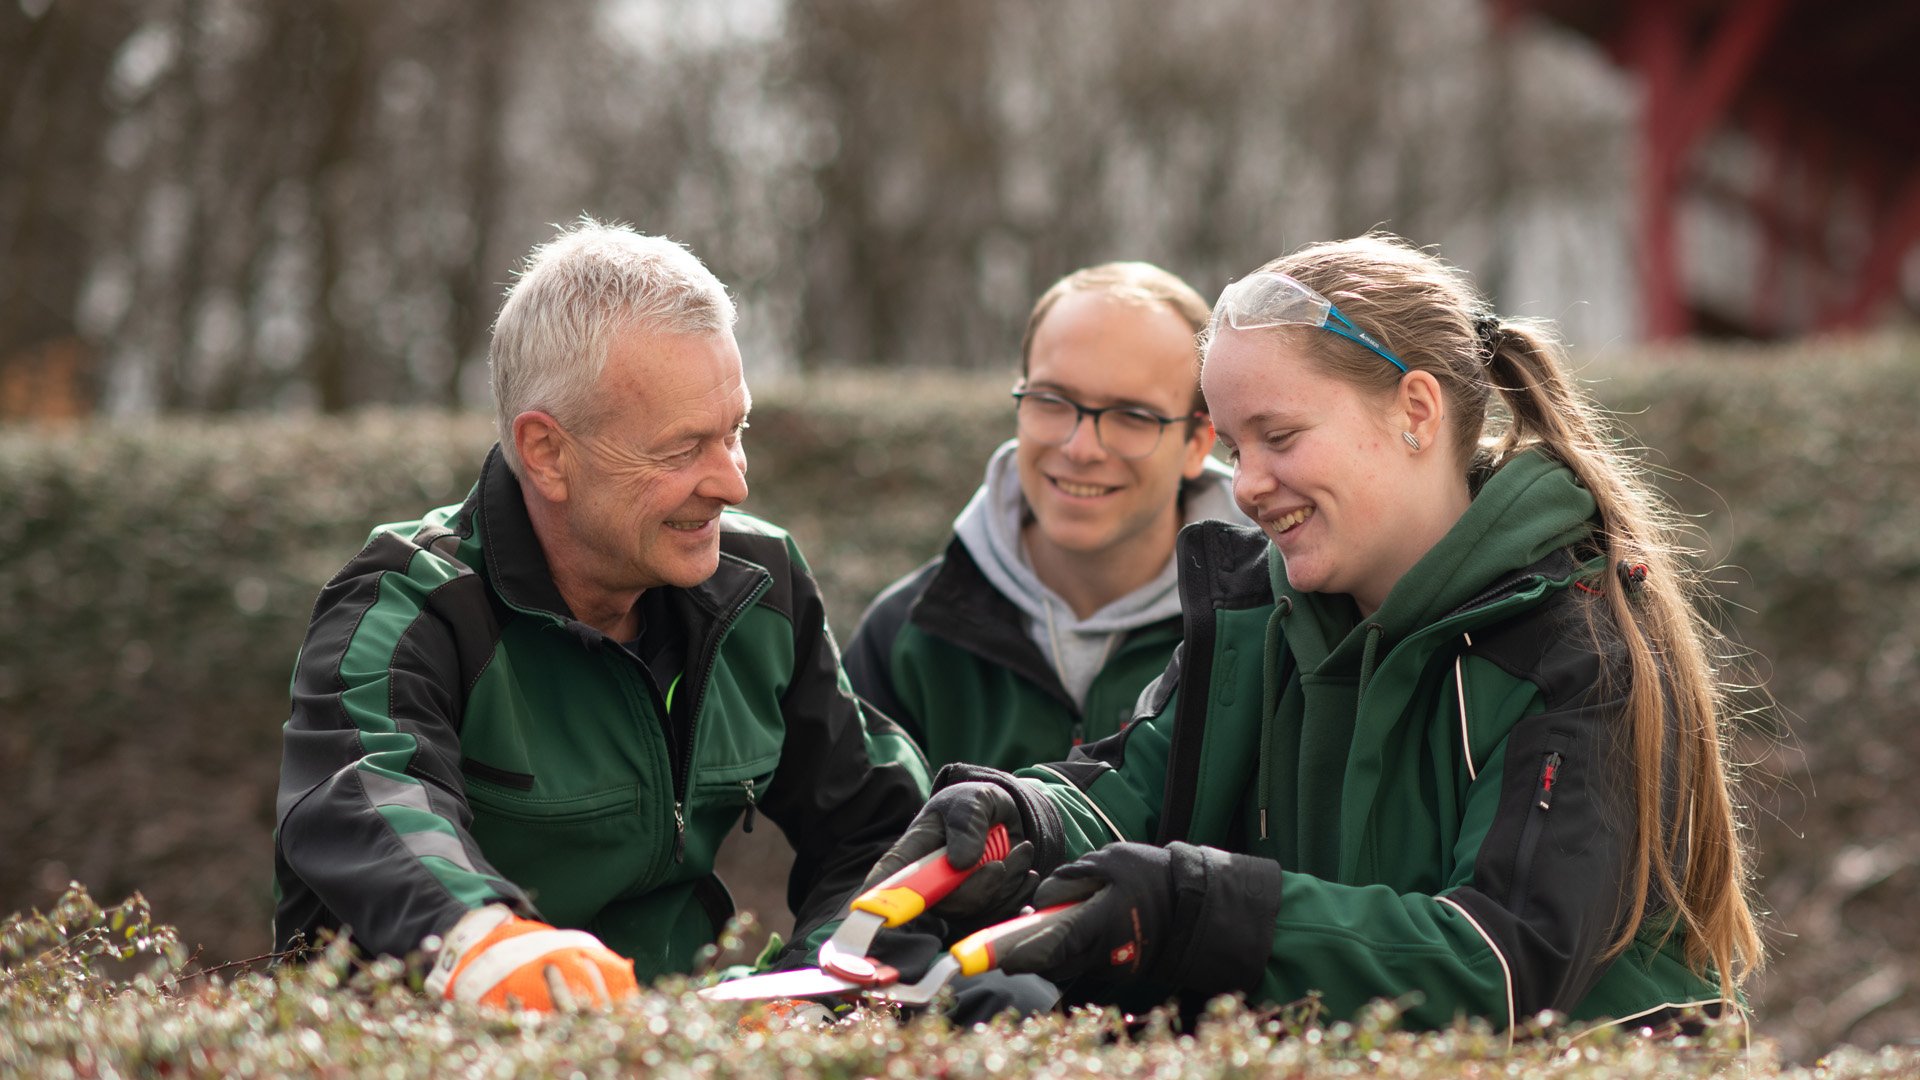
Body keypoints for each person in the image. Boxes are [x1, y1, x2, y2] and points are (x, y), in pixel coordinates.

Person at [860, 234, 1765, 1033]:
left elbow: (1505, 961)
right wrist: (1022, 821)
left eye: (1280, 436)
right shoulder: (1264, 612)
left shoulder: (1579, 644)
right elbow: (1130, 789)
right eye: (1235, 443)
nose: (1246, 483)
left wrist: (1202, 911)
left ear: (1417, 411)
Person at [272, 218, 930, 1011]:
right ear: (548, 452)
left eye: (736, 432)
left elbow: (882, 829)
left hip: (688, 1048)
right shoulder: (409, 602)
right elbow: (368, 798)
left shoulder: (763, 587)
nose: (733, 483)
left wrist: (816, 985)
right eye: (684, 449)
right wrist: (485, 941)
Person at [845, 263, 1245, 773]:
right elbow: (865, 851)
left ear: (1197, 443)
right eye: (1053, 401)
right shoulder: (907, 637)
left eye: (1132, 416)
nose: (1080, 448)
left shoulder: (1264, 634)